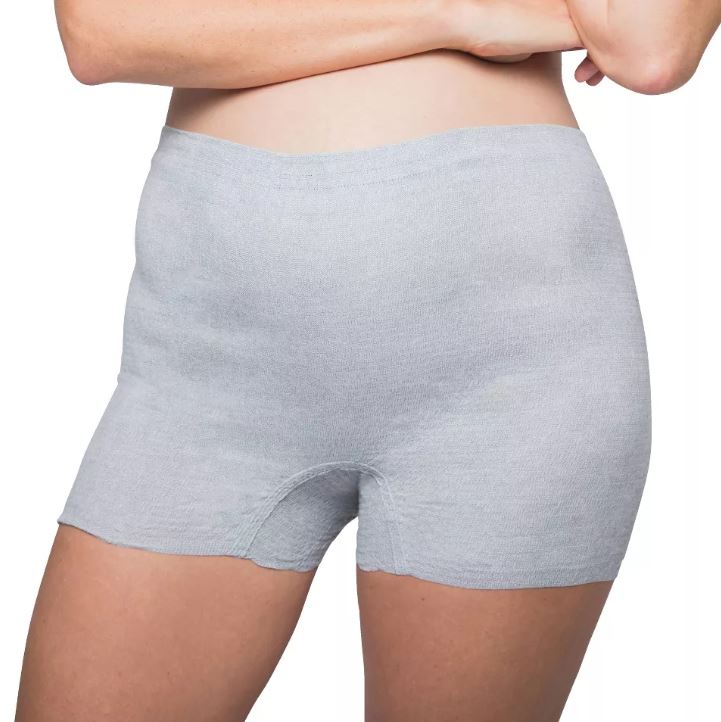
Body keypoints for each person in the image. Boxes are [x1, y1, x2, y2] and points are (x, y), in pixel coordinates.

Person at [15, 1, 721, 720]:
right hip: (208, 376)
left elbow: (650, 46)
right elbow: (104, 33)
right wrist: (458, 15)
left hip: (507, 376)